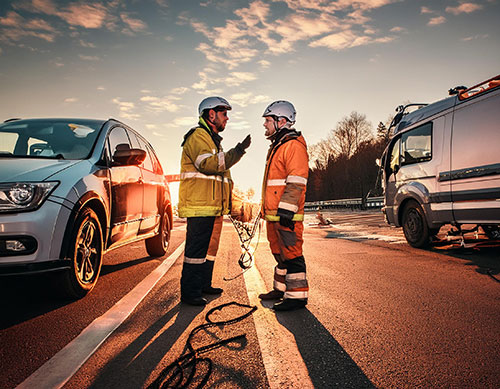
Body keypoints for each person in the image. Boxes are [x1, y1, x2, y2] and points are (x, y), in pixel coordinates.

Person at [178, 96, 251, 306]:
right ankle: (190, 292)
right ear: (211, 114)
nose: (227, 118)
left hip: (212, 207)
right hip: (199, 206)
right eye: (224, 113)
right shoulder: (198, 136)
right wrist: (237, 152)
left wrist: (232, 205)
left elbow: (223, 178)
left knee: (209, 249)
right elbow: (208, 165)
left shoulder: (212, 140)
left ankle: (203, 284)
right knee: (196, 252)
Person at [259, 100, 309, 311]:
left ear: (281, 121)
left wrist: (287, 211)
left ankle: (297, 297)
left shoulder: (293, 146)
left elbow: (297, 181)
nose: (264, 125)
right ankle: (281, 289)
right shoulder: (278, 146)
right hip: (275, 215)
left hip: (287, 214)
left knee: (292, 253)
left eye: (267, 120)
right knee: (278, 252)